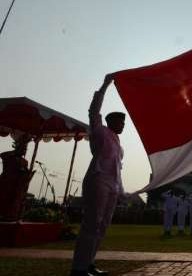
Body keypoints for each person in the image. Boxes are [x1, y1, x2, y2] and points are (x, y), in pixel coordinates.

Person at [71, 74, 127, 276]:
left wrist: (121, 190)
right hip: (98, 179)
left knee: (102, 226)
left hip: (112, 183)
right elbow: (94, 109)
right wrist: (105, 85)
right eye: (120, 122)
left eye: (123, 123)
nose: (123, 125)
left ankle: (89, 263)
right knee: (92, 223)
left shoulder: (119, 145)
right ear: (110, 122)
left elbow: (118, 168)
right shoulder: (100, 131)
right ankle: (79, 268)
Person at [0, 135, 35, 221]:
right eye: (23, 148)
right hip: (5, 187)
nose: (24, 150)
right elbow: (3, 155)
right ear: (17, 146)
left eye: (25, 149)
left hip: (17, 190)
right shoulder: (8, 156)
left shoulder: (24, 162)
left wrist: (28, 174)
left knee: (12, 212)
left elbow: (25, 175)